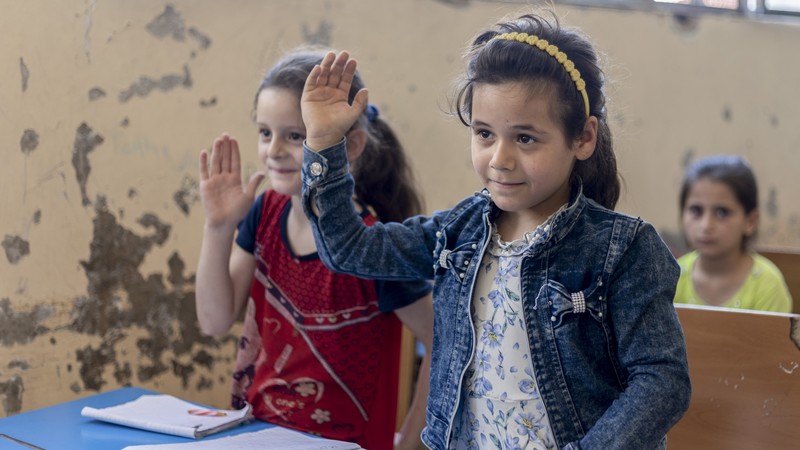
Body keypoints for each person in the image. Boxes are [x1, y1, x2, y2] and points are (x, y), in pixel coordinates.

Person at [298, 11, 691, 450]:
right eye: (485, 133)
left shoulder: (624, 250)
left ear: (583, 137)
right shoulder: (456, 233)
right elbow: (351, 250)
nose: (499, 159)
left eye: (525, 139)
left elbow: (662, 381)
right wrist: (323, 144)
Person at [195, 47, 434, 450]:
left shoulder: (374, 246)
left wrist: (411, 440)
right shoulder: (264, 213)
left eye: (295, 136)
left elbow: (444, 340)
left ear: (351, 146)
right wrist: (218, 228)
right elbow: (215, 321)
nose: (274, 150)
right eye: (265, 132)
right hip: (253, 435)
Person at [674, 154, 793, 313]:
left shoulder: (767, 285)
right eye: (696, 210)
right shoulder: (674, 277)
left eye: (722, 212)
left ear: (750, 221)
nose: (706, 225)